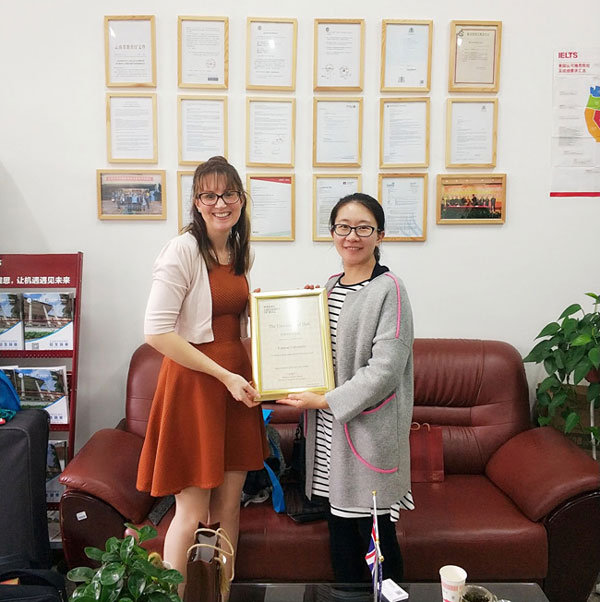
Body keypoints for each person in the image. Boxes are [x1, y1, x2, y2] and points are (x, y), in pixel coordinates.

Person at [136, 156, 269, 590]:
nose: (220, 203)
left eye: (228, 194)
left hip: (236, 389)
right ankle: (175, 598)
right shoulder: (182, 250)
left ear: (241, 199)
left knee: (228, 510)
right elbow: (156, 332)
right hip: (196, 388)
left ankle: (218, 596)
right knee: (192, 513)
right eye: (208, 195)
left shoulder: (239, 250)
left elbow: (234, 324)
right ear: (196, 202)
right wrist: (224, 376)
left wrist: (279, 313)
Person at [277, 193, 414, 583]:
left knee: (376, 544)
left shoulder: (390, 289)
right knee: (340, 541)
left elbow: (385, 369)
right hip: (327, 437)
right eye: (343, 227)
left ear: (380, 235)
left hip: (366, 436)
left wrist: (326, 400)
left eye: (363, 228)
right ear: (332, 232)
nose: (352, 236)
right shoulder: (329, 287)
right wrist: (303, 309)